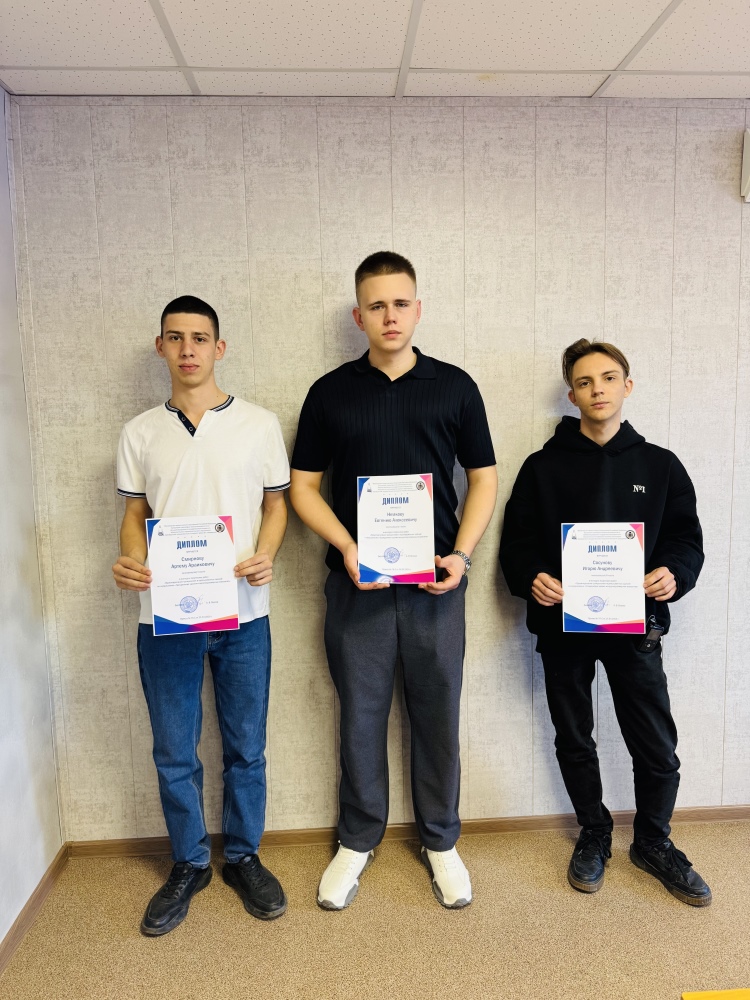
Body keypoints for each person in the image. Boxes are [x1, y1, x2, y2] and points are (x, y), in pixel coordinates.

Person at [290, 251, 497, 910]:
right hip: (359, 588)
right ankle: (357, 840)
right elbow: (302, 488)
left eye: (400, 303)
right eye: (376, 305)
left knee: (438, 714)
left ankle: (441, 839)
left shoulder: (455, 387)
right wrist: (348, 547)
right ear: (359, 316)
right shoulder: (330, 393)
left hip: (437, 587)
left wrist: (461, 555)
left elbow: (484, 478)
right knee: (360, 715)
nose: (389, 316)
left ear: (418, 308)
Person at [499, 339, 711, 906]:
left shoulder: (660, 465)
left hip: (636, 626)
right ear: (572, 395)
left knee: (656, 743)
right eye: (585, 382)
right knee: (574, 737)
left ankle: (654, 840)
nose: (598, 389)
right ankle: (594, 832)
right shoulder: (542, 468)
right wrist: (534, 577)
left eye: (609, 378)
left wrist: (672, 574)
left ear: (627, 386)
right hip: (563, 627)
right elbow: (516, 544)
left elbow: (686, 540)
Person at [113, 295, 290, 935]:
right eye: (175, 337)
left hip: (244, 614)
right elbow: (135, 514)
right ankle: (189, 862)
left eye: (199, 338)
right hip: (166, 618)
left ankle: (243, 856)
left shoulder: (259, 424)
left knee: (246, 746)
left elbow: (276, 505)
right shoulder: (139, 432)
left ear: (220, 347)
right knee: (173, 750)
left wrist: (266, 555)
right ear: (160, 346)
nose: (187, 349)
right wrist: (130, 560)